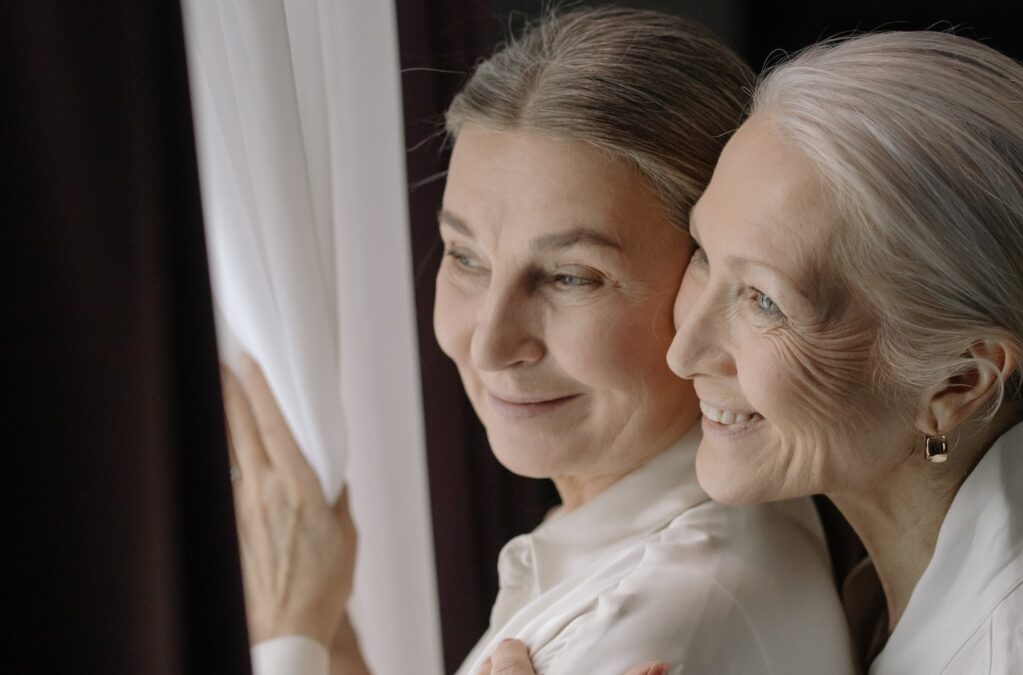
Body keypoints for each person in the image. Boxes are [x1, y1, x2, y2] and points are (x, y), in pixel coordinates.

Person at [492, 28, 1023, 675]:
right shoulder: (878, 573)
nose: (684, 350)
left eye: (765, 301)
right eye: (705, 254)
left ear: (957, 382)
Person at [222, 8, 857, 675]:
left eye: (570, 276)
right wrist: (329, 640)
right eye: (465, 257)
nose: (491, 344)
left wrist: (285, 638)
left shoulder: (659, 617)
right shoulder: (651, 554)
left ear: (713, 281)